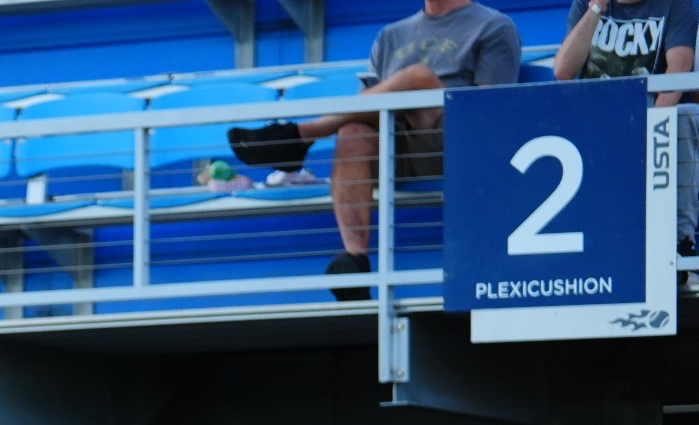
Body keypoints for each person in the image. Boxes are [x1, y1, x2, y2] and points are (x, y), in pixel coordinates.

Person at [226, 0, 522, 297]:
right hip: (399, 147)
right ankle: (355, 261)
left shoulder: (493, 26)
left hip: (458, 145)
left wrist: (421, 92)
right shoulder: (390, 35)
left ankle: (301, 134)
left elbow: (490, 115)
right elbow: (364, 107)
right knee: (353, 131)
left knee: (417, 77)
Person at [555, 0, 699, 255]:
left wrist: (651, 124)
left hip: (651, 117)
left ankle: (680, 244)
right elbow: (563, 71)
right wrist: (595, 10)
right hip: (597, 119)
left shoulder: (675, 4)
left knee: (686, 116)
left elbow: (679, 69)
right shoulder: (585, 4)